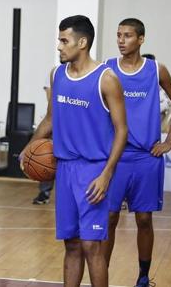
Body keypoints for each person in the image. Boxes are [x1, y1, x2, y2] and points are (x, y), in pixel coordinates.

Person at [23, 15, 128, 287]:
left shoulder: (106, 79)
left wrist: (106, 174)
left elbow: (122, 130)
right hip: (65, 170)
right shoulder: (57, 74)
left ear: (82, 42)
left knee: (92, 247)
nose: (59, 46)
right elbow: (50, 119)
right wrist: (30, 148)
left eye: (64, 40)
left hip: (93, 171)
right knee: (71, 244)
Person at [103, 19, 171, 287]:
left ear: (141, 39)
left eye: (127, 35)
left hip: (146, 157)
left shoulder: (155, 70)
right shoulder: (108, 69)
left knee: (144, 219)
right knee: (110, 217)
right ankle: (100, 273)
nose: (121, 40)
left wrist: (169, 140)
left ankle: (142, 276)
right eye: (118, 35)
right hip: (116, 156)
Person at [33, 72, 54, 205]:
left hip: (75, 121)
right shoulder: (55, 73)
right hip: (54, 118)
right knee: (46, 155)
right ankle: (44, 192)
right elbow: (50, 97)